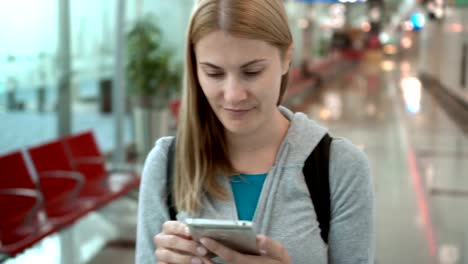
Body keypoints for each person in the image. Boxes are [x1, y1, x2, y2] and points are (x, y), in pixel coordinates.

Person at [135, 0, 375, 263]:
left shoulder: (340, 167)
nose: (234, 94)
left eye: (252, 71)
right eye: (214, 73)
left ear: (286, 58)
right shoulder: (165, 165)